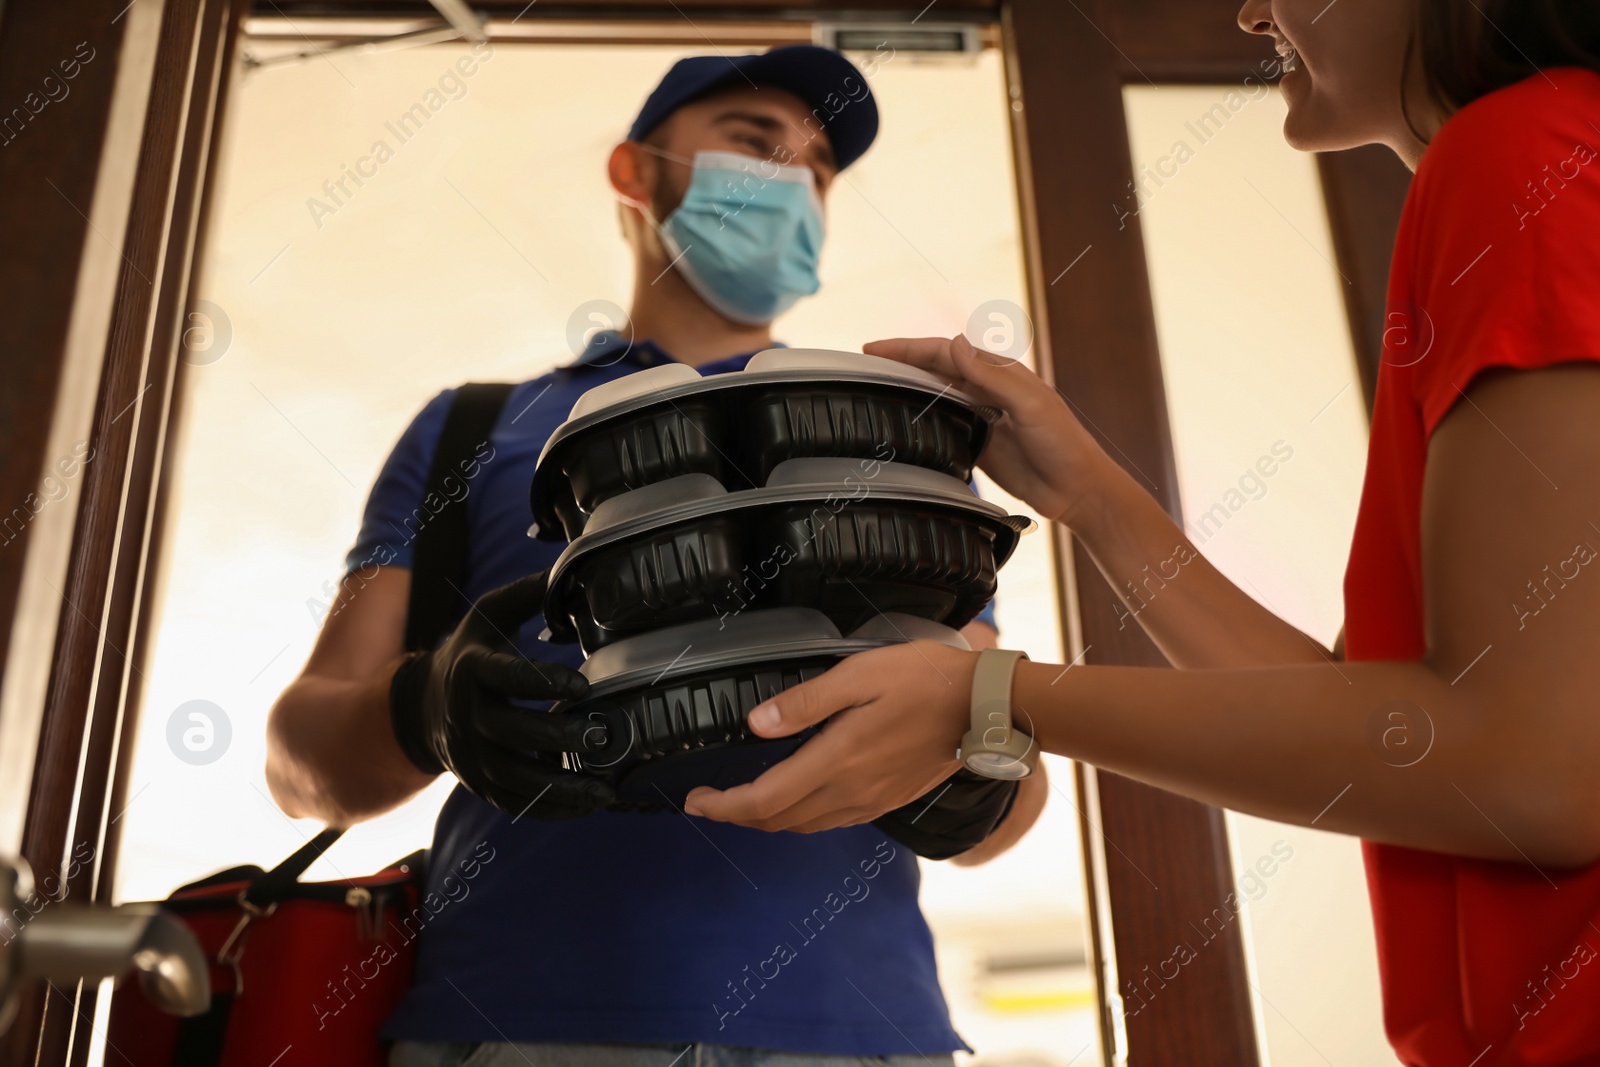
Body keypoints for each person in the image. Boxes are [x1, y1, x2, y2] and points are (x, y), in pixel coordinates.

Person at [682, 3, 1600, 1065]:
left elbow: (1533, 772)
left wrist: (997, 695)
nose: (1253, 9)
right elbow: (1393, 742)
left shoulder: (1524, 152)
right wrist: (1099, 504)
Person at [266, 44, 1048, 1067]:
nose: (792, 181)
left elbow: (1004, 797)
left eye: (815, 171)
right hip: (513, 1019)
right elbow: (302, 760)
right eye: (753, 144)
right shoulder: (470, 432)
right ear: (635, 172)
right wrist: (424, 706)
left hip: (856, 1028)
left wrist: (979, 770)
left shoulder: (886, 432)